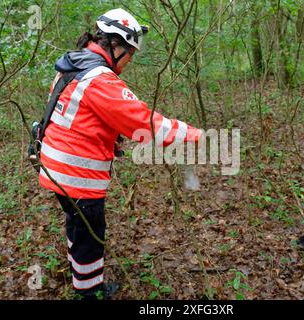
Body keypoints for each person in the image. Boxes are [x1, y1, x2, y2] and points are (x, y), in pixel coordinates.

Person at [38, 8, 202, 299]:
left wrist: (107, 138)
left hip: (55, 169)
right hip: (78, 179)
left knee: (77, 226)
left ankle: (81, 275)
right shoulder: (100, 79)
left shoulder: (74, 63)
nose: (128, 63)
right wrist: (191, 134)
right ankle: (90, 292)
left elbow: (76, 117)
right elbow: (143, 123)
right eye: (130, 54)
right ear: (115, 46)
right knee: (90, 235)